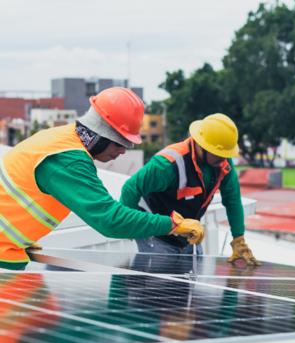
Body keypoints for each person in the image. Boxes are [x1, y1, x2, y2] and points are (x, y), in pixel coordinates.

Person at [0, 87, 204, 270]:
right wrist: (172, 224)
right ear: (101, 135)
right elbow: (109, 220)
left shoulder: (63, 137)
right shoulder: (68, 161)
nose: (123, 151)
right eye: (120, 143)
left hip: (11, 245)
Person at [120, 113, 260, 266]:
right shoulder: (168, 164)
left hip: (189, 234)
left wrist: (238, 239)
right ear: (202, 146)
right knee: (160, 282)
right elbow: (131, 188)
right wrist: (128, 225)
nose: (224, 159)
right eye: (220, 154)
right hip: (157, 234)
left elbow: (232, 200)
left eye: (226, 155)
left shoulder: (223, 164)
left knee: (187, 282)